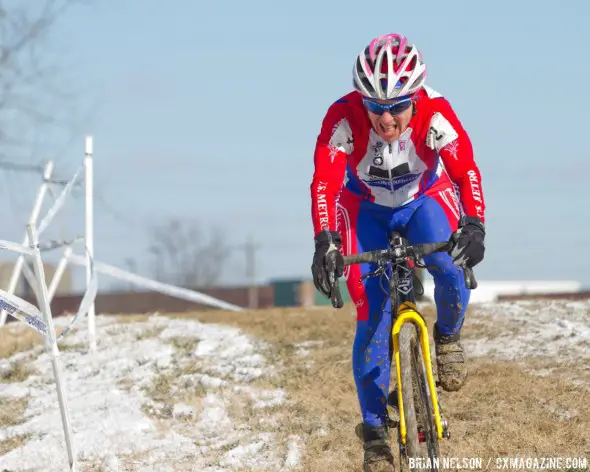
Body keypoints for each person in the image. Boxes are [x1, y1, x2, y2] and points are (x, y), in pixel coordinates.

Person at [310, 33, 486, 471]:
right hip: (365, 207)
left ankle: (447, 338)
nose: (386, 119)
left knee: (449, 266)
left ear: (416, 97)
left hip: (423, 199)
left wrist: (475, 224)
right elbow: (324, 184)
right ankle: (373, 435)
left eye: (397, 107)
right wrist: (324, 240)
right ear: (362, 100)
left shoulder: (437, 111)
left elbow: (466, 170)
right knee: (370, 313)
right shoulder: (343, 117)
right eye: (376, 108)